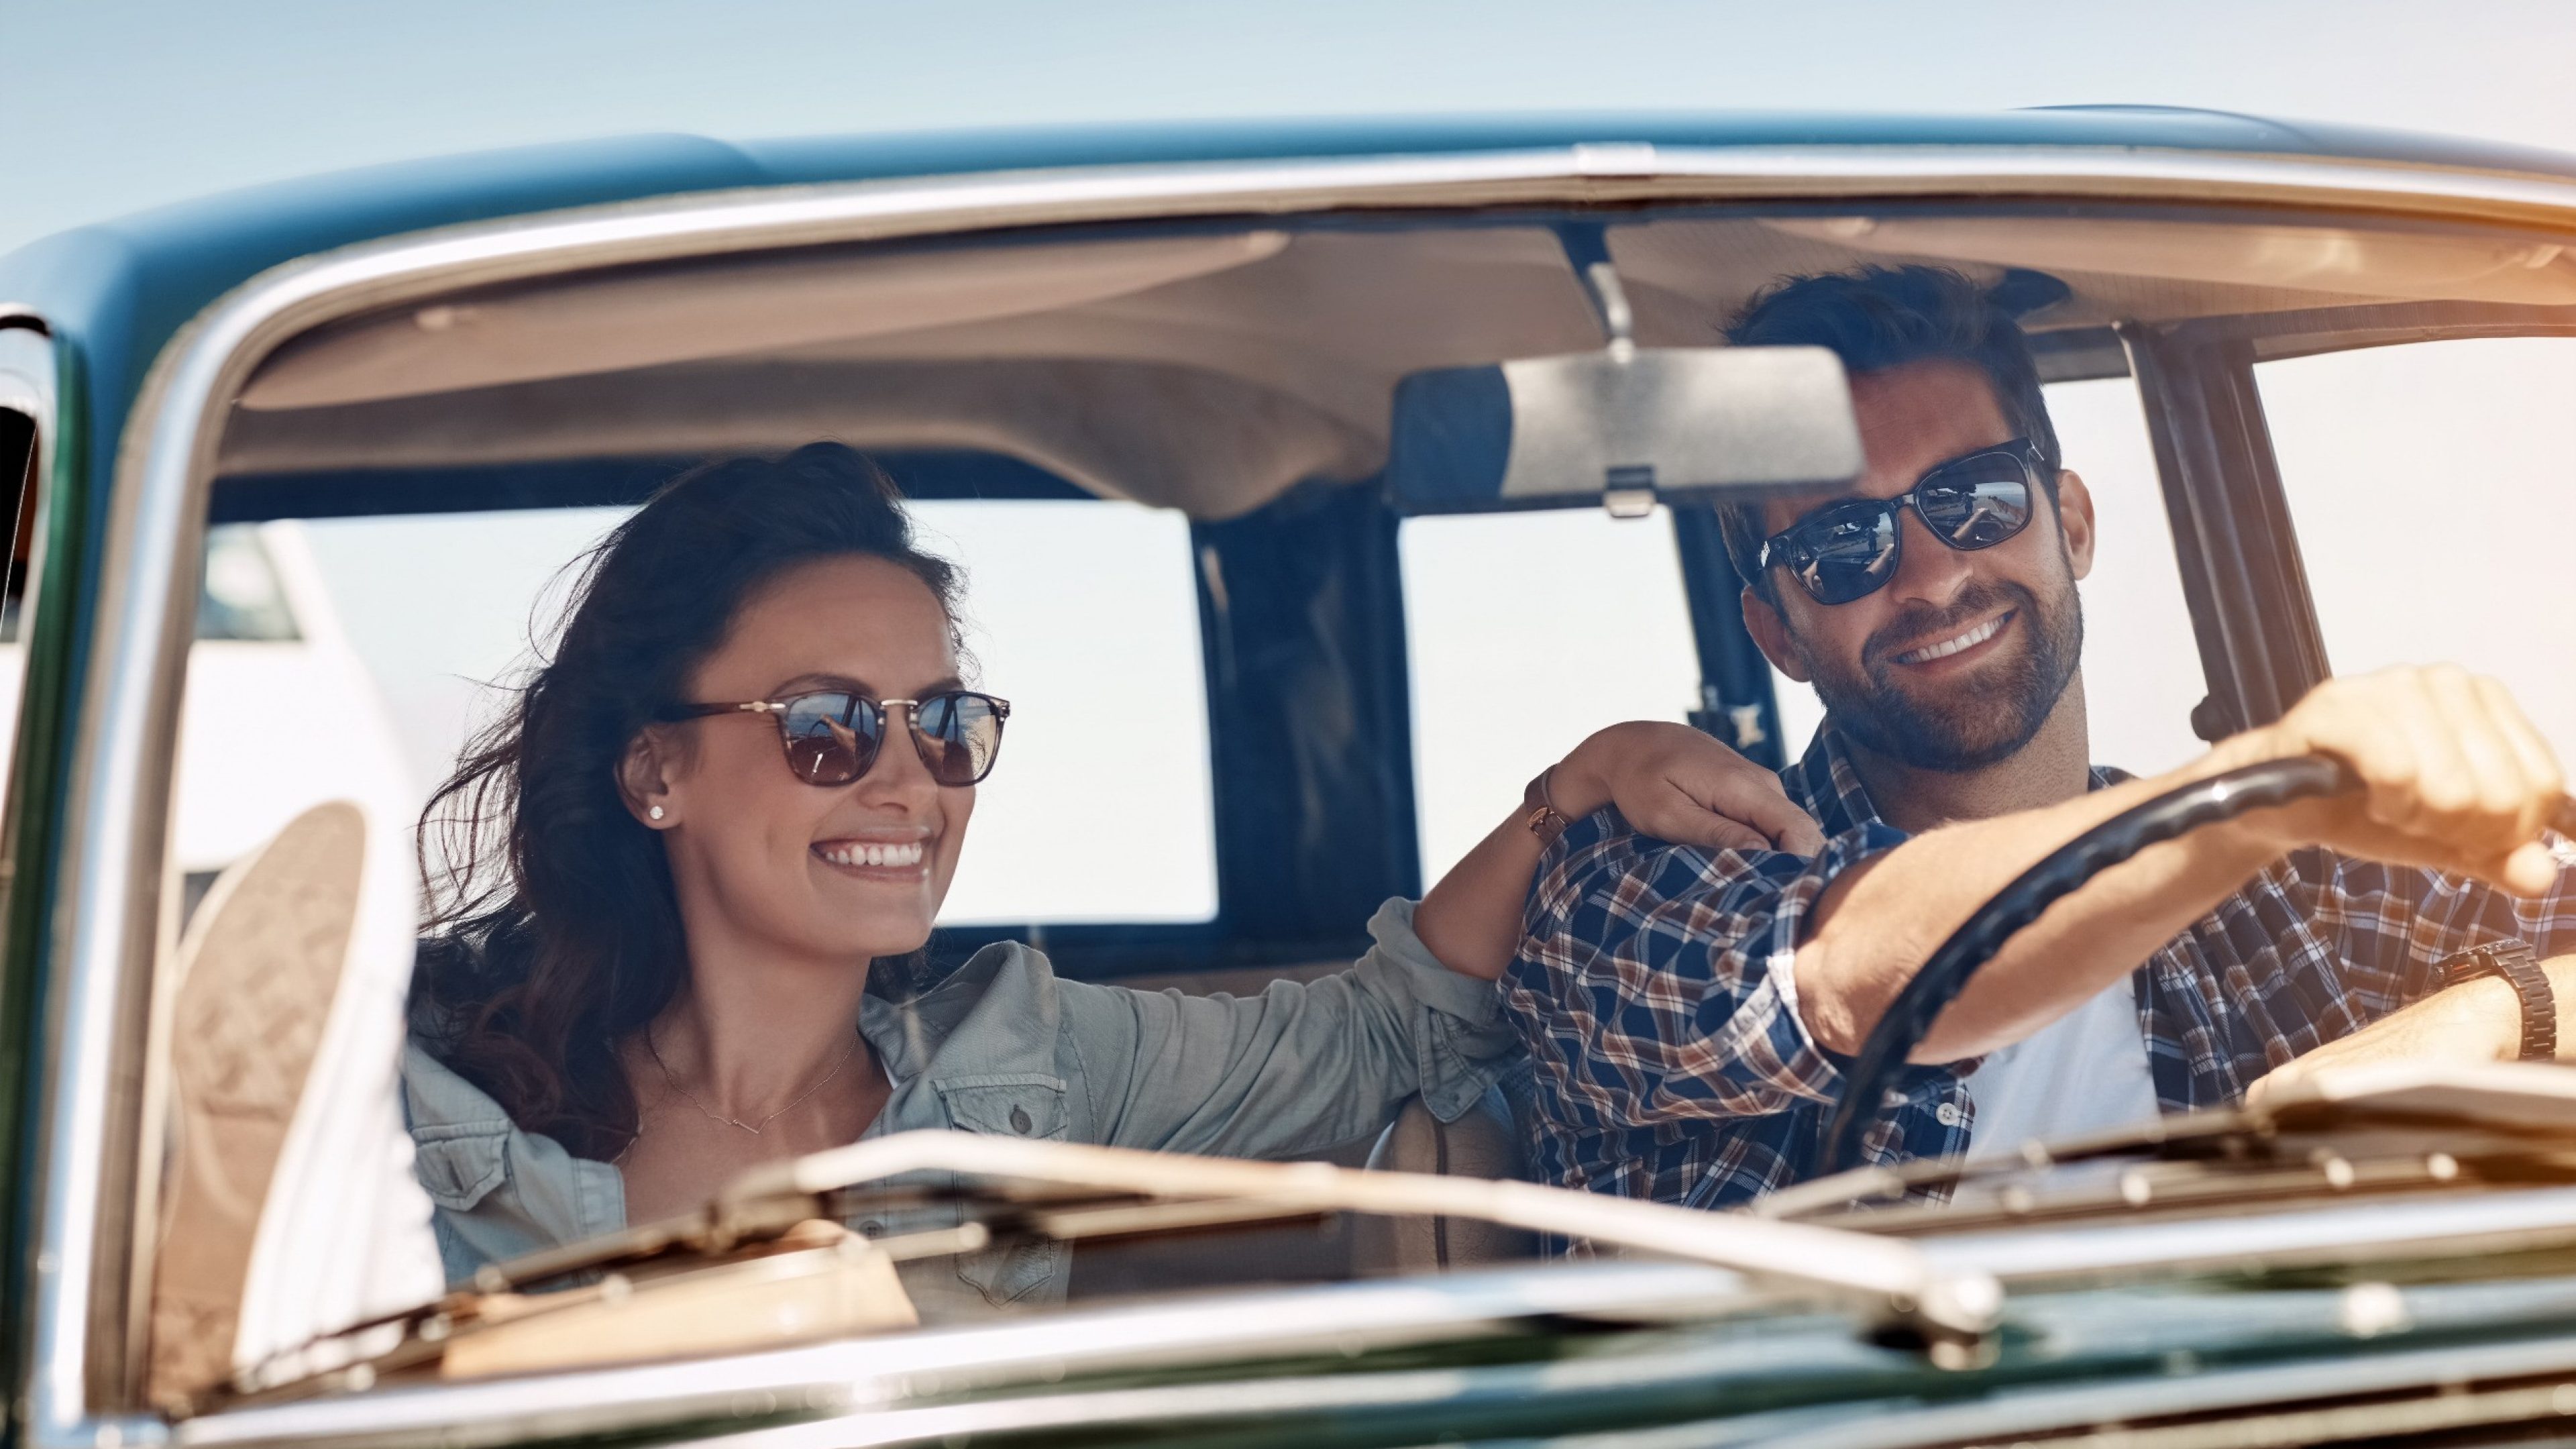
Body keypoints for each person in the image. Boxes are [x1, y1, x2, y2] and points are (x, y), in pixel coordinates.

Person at [397, 443, 1803, 1316]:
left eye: (945, 724)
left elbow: (1397, 1032)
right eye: (827, 727)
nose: (908, 781)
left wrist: (1575, 789)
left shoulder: (1033, 1063)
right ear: (657, 773)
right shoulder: (425, 1107)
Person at [1417, 266, 2576, 1209]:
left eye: (1974, 498)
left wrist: (2491, 1014)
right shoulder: (1631, 885)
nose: (1929, 574)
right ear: (1776, 628)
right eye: (1840, 546)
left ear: (2068, 522)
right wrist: (2253, 797)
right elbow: (1842, 975)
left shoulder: (2297, 884)